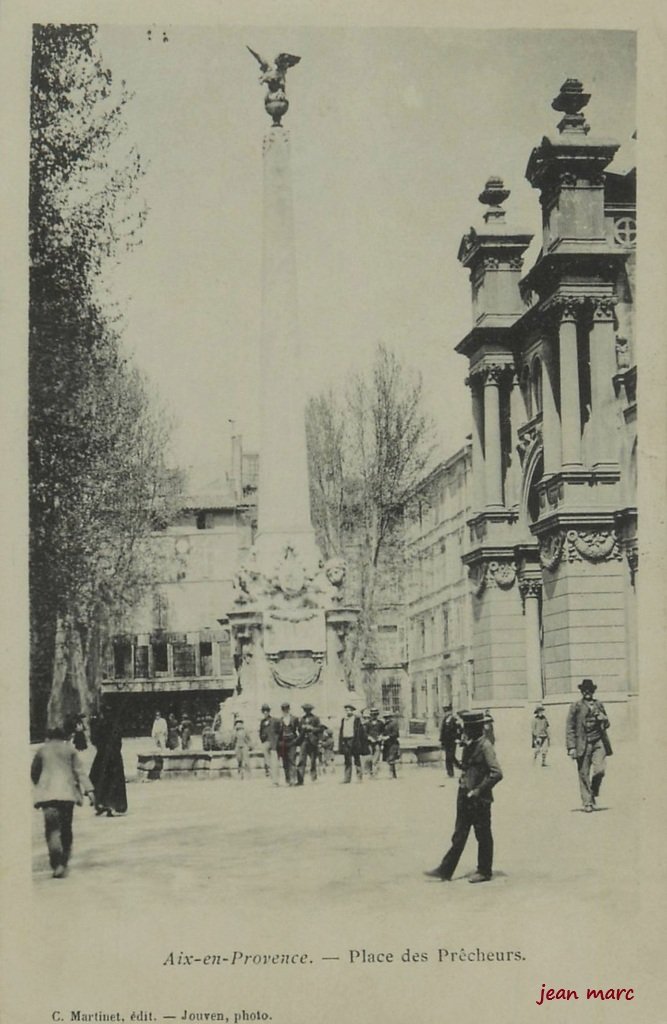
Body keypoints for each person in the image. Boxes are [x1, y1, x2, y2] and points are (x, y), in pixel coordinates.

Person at [425, 709, 503, 883]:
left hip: (479, 798)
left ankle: (484, 871)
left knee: (482, 835)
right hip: (464, 795)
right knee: (459, 834)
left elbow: (497, 773)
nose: (463, 731)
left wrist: (478, 790)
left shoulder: (485, 746)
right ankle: (445, 870)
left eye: (466, 728)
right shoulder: (470, 744)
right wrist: (453, 758)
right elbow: (468, 768)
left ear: (475, 728)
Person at [31, 725, 95, 878]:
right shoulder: (70, 750)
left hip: (48, 797)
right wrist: (90, 791)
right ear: (64, 737)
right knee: (66, 828)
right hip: (67, 795)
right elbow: (80, 772)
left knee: (52, 830)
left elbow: (34, 772)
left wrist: (41, 785)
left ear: (49, 736)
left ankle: (56, 863)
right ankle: (64, 861)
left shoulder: (42, 751)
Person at [566, 679, 612, 812]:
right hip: (582, 743)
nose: (588, 692)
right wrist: (571, 747)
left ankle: (594, 791)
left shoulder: (599, 704)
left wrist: (604, 718)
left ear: (593, 691)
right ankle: (587, 802)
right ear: (581, 691)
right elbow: (570, 727)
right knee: (583, 773)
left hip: (599, 741)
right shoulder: (576, 706)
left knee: (600, 770)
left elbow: (607, 724)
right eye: (585, 690)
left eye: (590, 690)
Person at [89, 708, 128, 817]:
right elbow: (119, 742)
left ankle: (100, 803)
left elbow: (94, 740)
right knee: (114, 781)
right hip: (115, 756)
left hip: (102, 756)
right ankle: (114, 805)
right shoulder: (116, 725)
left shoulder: (100, 725)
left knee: (101, 780)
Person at [339, 703, 367, 783]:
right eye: (346, 710)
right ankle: (347, 778)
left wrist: (360, 742)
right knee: (347, 760)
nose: (347, 711)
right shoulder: (343, 719)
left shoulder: (356, 719)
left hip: (354, 741)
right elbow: (342, 731)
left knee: (356, 759)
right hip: (346, 740)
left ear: (352, 711)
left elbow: (361, 731)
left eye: (349, 710)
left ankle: (359, 777)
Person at [297, 703, 322, 784]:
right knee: (301, 760)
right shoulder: (302, 719)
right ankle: (300, 779)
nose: (306, 711)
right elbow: (299, 729)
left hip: (313, 741)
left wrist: (312, 728)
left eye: (308, 709)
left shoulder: (315, 718)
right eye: (305, 709)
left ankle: (313, 778)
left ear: (311, 710)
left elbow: (320, 729)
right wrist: (303, 729)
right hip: (304, 741)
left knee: (313, 760)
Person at [276, 702, 300, 786]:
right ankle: (288, 779)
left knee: (292, 760)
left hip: (292, 741)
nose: (285, 711)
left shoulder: (294, 719)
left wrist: (297, 740)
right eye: (283, 709)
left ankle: (293, 779)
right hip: (283, 742)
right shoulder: (279, 720)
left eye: (286, 709)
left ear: (289, 709)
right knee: (285, 761)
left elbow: (298, 730)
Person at [258, 704, 280, 784]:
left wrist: (277, 741)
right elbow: (260, 732)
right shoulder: (262, 722)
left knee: (274, 761)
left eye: (266, 711)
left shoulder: (274, 720)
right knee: (267, 761)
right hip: (266, 743)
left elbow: (278, 731)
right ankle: (272, 777)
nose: (265, 713)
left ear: (269, 711)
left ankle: (276, 779)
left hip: (273, 743)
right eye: (264, 711)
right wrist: (262, 739)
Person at [439, 705, 460, 780]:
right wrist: (441, 740)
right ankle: (452, 770)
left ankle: (452, 771)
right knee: (449, 757)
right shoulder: (445, 720)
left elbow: (458, 730)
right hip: (446, 741)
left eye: (447, 711)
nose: (446, 713)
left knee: (450, 756)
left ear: (450, 712)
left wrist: (458, 738)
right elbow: (442, 731)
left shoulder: (454, 720)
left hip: (452, 741)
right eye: (445, 712)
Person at [365, 707, 385, 777]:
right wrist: (369, 738)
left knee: (376, 757)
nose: (374, 716)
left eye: (375, 714)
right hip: (370, 743)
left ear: (377, 715)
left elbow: (383, 732)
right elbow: (365, 733)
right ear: (371, 715)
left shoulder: (381, 723)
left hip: (377, 742)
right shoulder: (367, 723)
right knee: (369, 757)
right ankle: (370, 772)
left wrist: (380, 737)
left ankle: (375, 772)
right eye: (372, 714)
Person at [382, 713, 401, 779]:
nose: (386, 719)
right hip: (387, 744)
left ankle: (392, 774)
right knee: (388, 759)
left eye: (388, 717)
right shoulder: (385, 725)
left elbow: (396, 734)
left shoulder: (394, 724)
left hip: (393, 743)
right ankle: (392, 773)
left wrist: (388, 737)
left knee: (391, 758)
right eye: (385, 717)